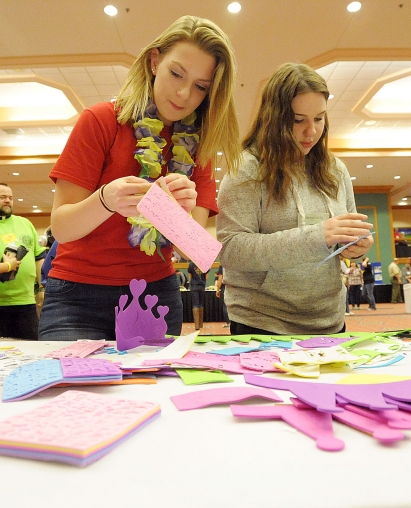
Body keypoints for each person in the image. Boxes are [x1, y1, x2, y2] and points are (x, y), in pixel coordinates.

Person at [38, 16, 241, 340]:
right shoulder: (101, 121)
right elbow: (61, 227)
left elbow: (195, 251)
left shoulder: (198, 144)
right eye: (177, 73)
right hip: (77, 299)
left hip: (154, 297)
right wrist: (106, 199)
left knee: (153, 392)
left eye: (201, 86)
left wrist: (175, 211)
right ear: (155, 60)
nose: (184, 93)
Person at [217, 63, 373, 335]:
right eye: (298, 120)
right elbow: (231, 250)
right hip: (262, 326)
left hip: (330, 322)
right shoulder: (246, 169)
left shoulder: (336, 170)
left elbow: (345, 233)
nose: (311, 131)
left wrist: (355, 244)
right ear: (273, 117)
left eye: (319, 118)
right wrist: (316, 237)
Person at [0, 183, 46, 339]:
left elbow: (39, 258)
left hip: (25, 302)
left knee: (32, 349)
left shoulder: (25, 223)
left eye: (10, 198)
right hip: (1, 303)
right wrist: (7, 266)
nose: (7, 201)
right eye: (2, 197)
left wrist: (41, 287)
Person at [188, 260, 208, 331]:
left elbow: (190, 277)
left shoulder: (191, 264)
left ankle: (196, 325)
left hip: (194, 286)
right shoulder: (205, 263)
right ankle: (200, 324)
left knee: (195, 304)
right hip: (202, 286)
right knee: (201, 304)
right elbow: (207, 277)